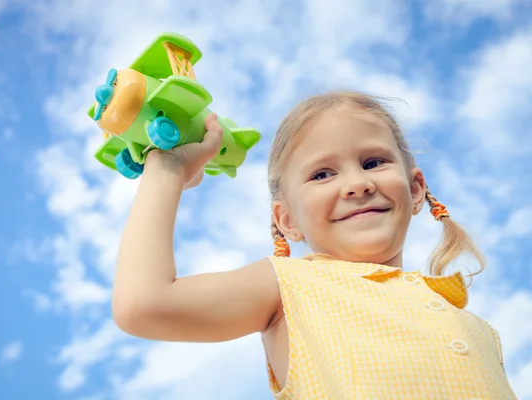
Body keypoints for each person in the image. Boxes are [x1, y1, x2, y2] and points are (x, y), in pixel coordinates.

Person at [111, 91, 517, 399]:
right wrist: (167, 169)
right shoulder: (290, 285)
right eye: (322, 174)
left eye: (373, 162)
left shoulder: (478, 329)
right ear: (287, 220)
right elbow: (144, 304)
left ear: (415, 190)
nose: (358, 183)